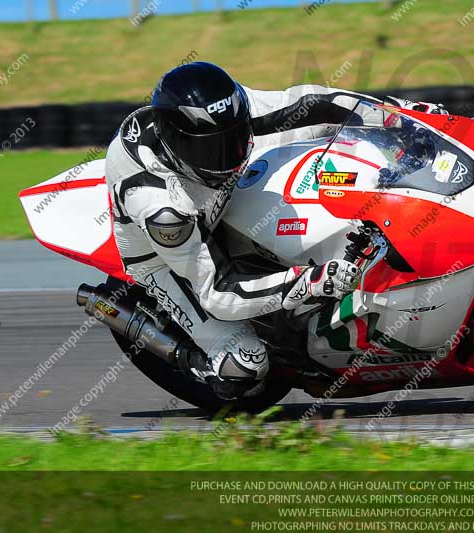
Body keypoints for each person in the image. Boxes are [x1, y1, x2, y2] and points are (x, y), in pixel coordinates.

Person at [105, 61, 446, 400]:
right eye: (211, 148)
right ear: (176, 144)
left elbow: (314, 106)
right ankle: (201, 359)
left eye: (235, 139)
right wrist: (307, 282)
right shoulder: (162, 207)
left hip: (219, 199)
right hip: (167, 258)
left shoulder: (236, 112)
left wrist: (399, 116)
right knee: (245, 364)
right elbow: (218, 293)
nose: (228, 155)